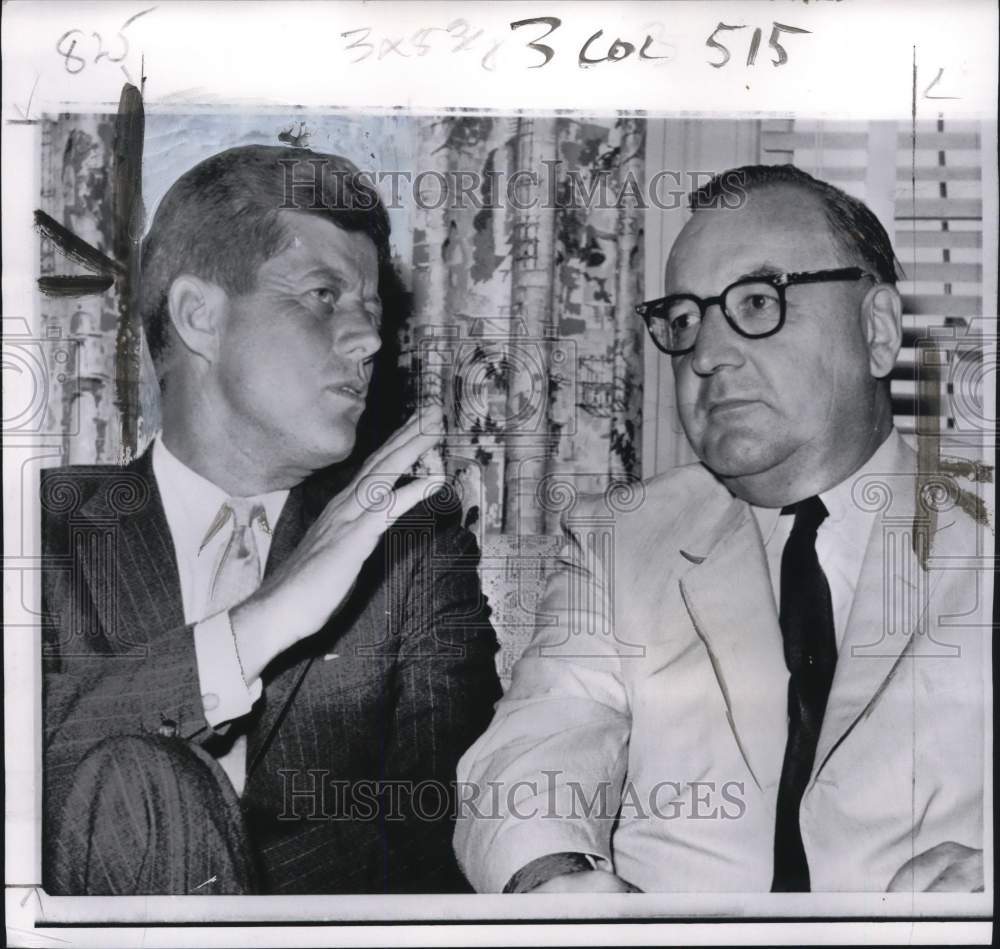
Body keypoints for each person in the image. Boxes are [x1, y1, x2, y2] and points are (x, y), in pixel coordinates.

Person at [455, 164, 988, 894]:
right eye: (683, 320)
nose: (706, 354)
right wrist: (555, 877)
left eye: (758, 302)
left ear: (877, 329)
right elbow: (532, 752)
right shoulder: (620, 539)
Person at [42, 144, 502, 895]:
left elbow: (445, 830)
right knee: (139, 777)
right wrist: (259, 624)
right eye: (323, 296)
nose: (369, 341)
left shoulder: (412, 542)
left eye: (372, 312)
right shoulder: (40, 527)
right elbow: (31, 777)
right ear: (200, 315)